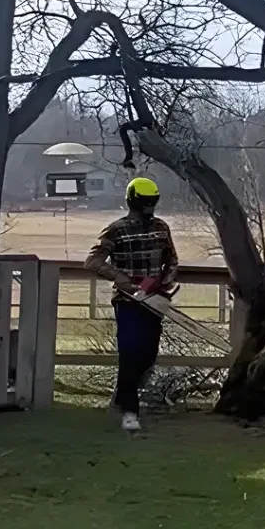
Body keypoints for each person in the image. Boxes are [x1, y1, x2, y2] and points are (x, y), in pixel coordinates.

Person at [83, 177, 179, 431]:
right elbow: (93, 261)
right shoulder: (116, 230)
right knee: (129, 352)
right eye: (145, 203)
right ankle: (130, 412)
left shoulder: (161, 228)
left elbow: (172, 260)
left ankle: (121, 396)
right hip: (127, 302)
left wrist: (165, 282)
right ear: (133, 202)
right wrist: (120, 278)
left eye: (152, 202)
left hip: (155, 302)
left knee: (148, 354)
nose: (149, 207)